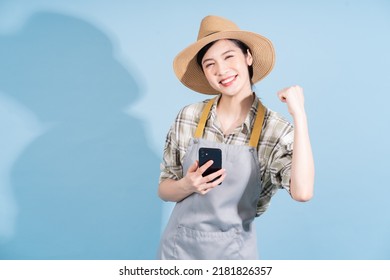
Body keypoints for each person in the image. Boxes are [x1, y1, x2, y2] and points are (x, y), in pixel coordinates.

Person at [157, 15, 314, 260]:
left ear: (248, 57)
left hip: (236, 256)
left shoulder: (274, 129)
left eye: (229, 57)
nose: (221, 70)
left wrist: (300, 116)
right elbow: (164, 189)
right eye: (210, 64)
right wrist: (186, 185)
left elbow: (302, 192)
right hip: (178, 253)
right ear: (205, 72)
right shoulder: (189, 116)